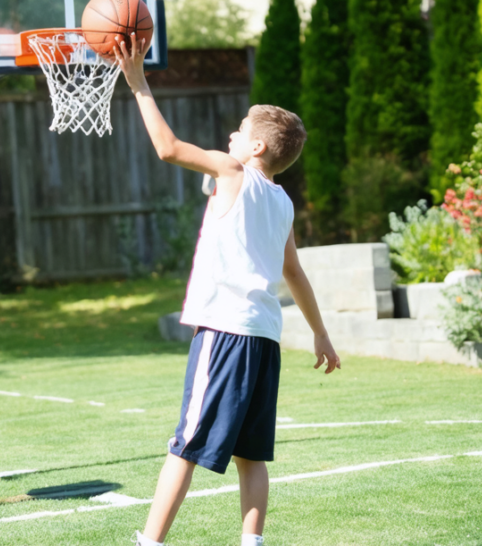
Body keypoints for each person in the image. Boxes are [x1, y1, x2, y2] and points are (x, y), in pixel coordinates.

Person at [114, 33, 341, 546]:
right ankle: (251, 543)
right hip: (264, 337)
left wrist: (138, 83)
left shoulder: (233, 169)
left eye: (239, 131)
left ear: (256, 146)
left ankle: (149, 542)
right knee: (251, 454)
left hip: (225, 332)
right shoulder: (282, 202)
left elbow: (168, 149)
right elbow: (294, 273)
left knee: (186, 442)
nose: (231, 136)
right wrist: (321, 334)